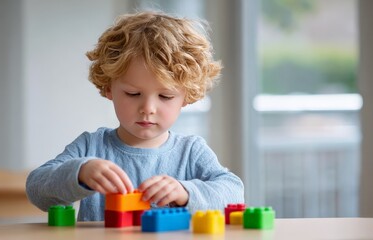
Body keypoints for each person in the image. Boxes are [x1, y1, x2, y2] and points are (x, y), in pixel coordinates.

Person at [26, 11, 244, 221]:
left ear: (186, 97)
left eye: (166, 96)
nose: (148, 108)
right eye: (133, 93)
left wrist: (185, 192)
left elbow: (234, 193)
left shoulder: (191, 152)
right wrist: (80, 173)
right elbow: (36, 189)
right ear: (109, 87)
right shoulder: (91, 147)